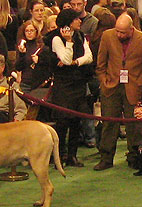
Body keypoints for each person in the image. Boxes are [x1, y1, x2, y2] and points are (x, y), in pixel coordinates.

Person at [94, 14, 142, 171]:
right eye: (117, 31)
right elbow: (100, 63)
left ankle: (134, 157)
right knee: (108, 123)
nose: (119, 35)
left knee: (133, 124)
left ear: (131, 28)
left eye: (123, 32)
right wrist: (104, 80)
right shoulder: (107, 36)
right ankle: (106, 158)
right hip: (111, 87)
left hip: (134, 87)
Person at [46, 8, 94, 167]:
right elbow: (65, 59)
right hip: (63, 86)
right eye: (76, 19)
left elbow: (89, 57)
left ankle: (72, 156)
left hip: (78, 84)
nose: (80, 21)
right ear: (68, 22)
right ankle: (59, 156)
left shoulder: (80, 35)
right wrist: (69, 42)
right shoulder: (56, 39)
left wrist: (76, 62)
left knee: (76, 122)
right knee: (62, 123)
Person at [15, 21, 44, 92]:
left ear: (36, 32)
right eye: (27, 31)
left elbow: (47, 65)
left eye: (31, 30)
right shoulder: (22, 45)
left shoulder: (42, 45)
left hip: (39, 83)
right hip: (25, 83)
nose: (29, 33)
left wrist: (39, 61)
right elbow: (18, 67)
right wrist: (22, 54)